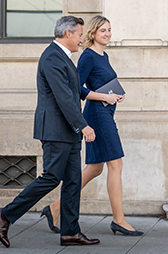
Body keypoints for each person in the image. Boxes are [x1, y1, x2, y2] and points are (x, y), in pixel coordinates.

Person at [0, 16, 99, 248]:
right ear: (68, 33)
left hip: (68, 131)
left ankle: (70, 232)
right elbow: (63, 97)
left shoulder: (63, 57)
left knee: (73, 180)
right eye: (80, 34)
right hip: (56, 129)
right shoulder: (51, 57)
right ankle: (5, 215)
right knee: (51, 177)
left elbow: (73, 91)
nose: (82, 39)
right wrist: (84, 124)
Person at [41, 15, 142, 237]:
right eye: (103, 30)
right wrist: (102, 97)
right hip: (97, 115)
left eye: (109, 30)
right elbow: (75, 87)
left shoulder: (103, 56)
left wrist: (113, 95)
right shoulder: (87, 56)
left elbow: (98, 83)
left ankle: (54, 208)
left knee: (95, 168)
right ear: (93, 33)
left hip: (106, 111)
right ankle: (119, 220)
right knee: (116, 165)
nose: (107, 34)